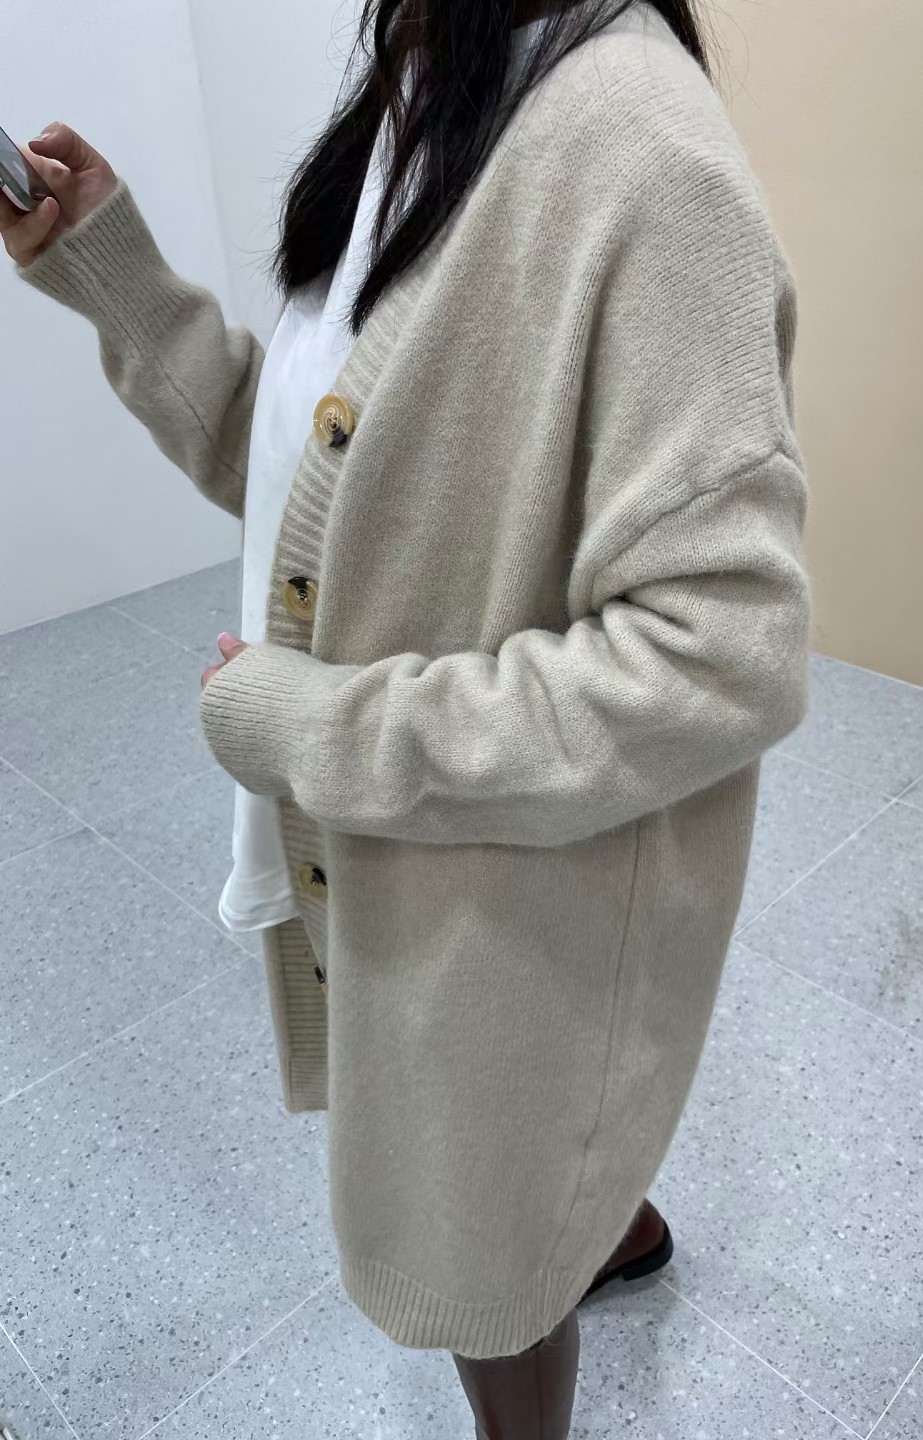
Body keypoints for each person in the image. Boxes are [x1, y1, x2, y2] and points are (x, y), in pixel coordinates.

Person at [3, 0, 809, 1432]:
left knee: (481, 1256)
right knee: (513, 1177)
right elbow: (323, 485)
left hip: (508, 906)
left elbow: (722, 655)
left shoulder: (648, 161)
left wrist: (316, 730)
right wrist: (110, 272)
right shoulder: (426, 89)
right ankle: (602, 1218)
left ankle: (567, 1236)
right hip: (436, 861)